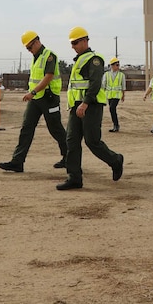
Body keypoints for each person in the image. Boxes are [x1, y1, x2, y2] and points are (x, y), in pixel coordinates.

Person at [57, 26, 124, 190]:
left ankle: (115, 160)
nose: (72, 46)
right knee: (71, 141)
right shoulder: (79, 60)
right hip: (76, 106)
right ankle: (74, 178)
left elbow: (94, 84)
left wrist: (85, 103)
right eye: (71, 43)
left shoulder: (94, 59)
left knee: (92, 141)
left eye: (75, 43)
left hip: (90, 106)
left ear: (85, 41)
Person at [0, 31, 69, 173]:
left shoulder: (49, 56)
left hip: (49, 98)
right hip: (36, 99)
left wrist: (33, 92)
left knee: (56, 130)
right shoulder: (35, 57)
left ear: (37, 42)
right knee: (26, 128)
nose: (29, 51)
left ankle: (69, 158)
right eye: (27, 49)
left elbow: (48, 77)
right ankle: (17, 162)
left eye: (30, 47)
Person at [102, 57, 126, 132]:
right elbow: (103, 84)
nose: (118, 66)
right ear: (112, 65)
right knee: (112, 110)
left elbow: (123, 86)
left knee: (112, 108)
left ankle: (116, 125)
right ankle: (115, 125)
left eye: (118, 65)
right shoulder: (106, 74)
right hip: (109, 95)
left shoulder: (121, 75)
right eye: (116, 65)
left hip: (117, 95)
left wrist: (123, 95)